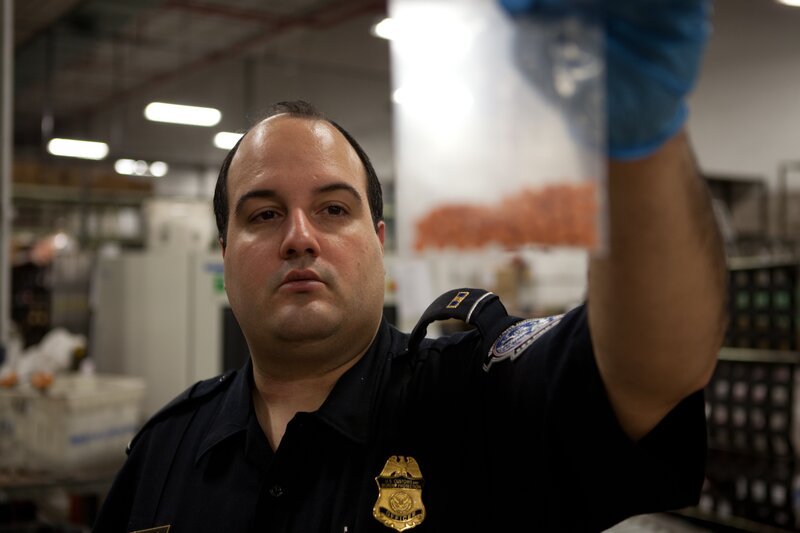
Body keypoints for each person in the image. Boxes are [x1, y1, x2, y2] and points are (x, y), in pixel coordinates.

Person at [93, 1, 727, 531]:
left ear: (378, 241)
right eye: (262, 216)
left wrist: (641, 141)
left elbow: (651, 370)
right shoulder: (164, 450)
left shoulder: (478, 401)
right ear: (224, 252)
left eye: (333, 209)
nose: (299, 237)